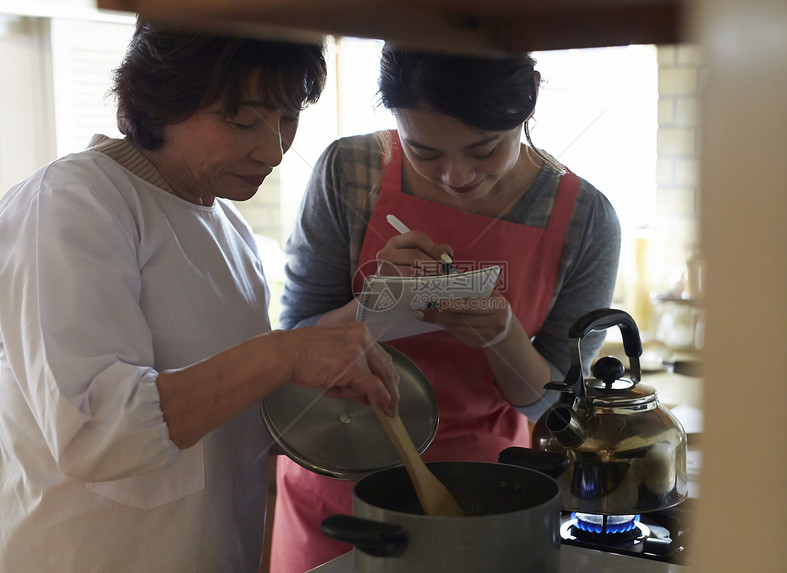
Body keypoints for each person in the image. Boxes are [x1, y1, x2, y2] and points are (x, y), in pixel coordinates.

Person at [0, 21, 399, 573]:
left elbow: (220, 416)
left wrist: (312, 395)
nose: (274, 150)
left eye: (288, 118)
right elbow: (94, 431)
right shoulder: (72, 202)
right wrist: (284, 353)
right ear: (162, 100)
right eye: (242, 121)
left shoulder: (228, 228)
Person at [270, 45, 622, 571]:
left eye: (484, 151)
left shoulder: (585, 221)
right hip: (339, 476)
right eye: (424, 152)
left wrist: (502, 336)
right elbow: (292, 343)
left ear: (527, 105)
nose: (456, 176)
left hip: (484, 495)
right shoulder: (350, 173)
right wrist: (377, 302)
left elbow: (552, 411)